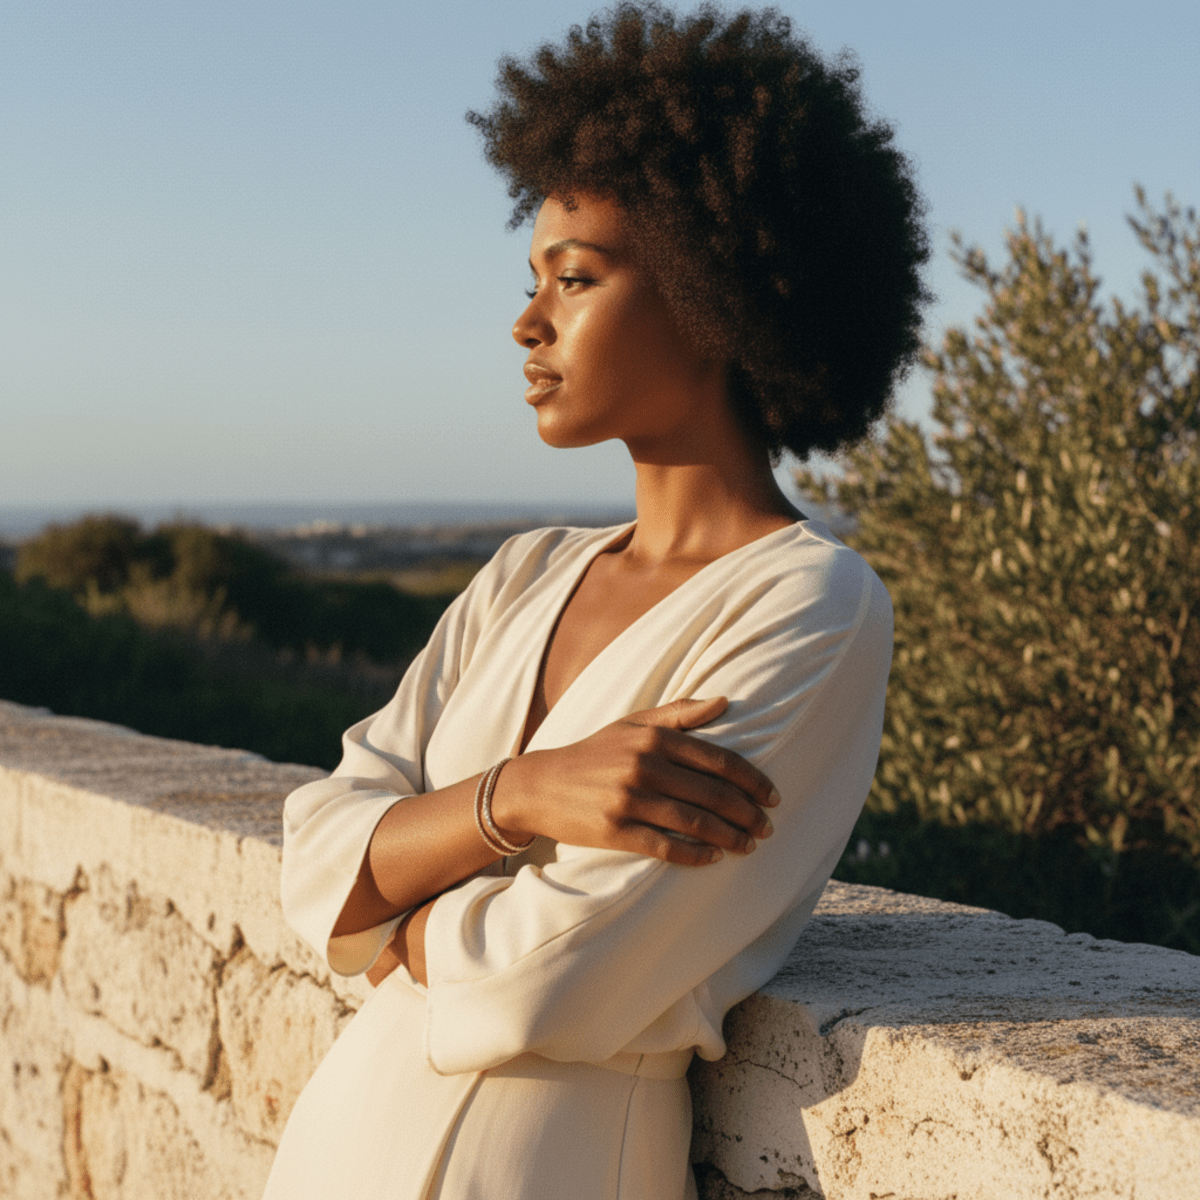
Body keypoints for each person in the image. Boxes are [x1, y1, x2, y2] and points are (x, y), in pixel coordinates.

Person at [263, 4, 928, 1198]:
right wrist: (513, 799)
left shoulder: (811, 607)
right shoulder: (526, 572)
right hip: (336, 1147)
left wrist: (395, 912)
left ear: (718, 292)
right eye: (534, 281)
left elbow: (545, 979)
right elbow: (314, 853)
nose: (527, 323)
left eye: (575, 280)